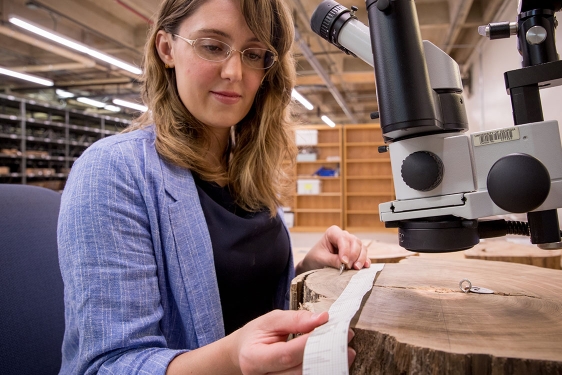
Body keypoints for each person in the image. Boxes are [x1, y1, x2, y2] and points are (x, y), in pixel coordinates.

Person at [57, 0, 370, 373]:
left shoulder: (248, 170)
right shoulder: (112, 172)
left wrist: (307, 267)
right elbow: (106, 365)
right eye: (212, 46)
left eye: (254, 54)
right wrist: (232, 361)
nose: (235, 71)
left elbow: (247, 297)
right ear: (166, 48)